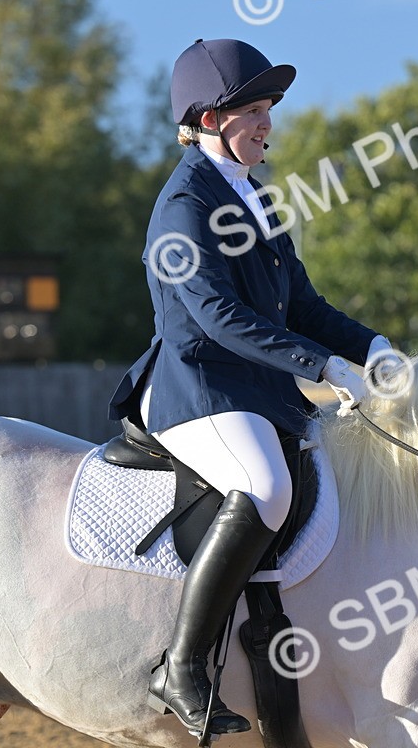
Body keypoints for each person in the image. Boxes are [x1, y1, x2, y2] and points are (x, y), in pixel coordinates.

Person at [108, 38, 390, 736]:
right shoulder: (184, 205)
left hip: (256, 390)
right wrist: (321, 367)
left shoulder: (254, 196)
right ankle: (182, 666)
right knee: (265, 488)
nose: (268, 123)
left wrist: (375, 349)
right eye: (254, 111)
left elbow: (305, 307)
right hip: (197, 386)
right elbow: (216, 316)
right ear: (208, 120)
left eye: (268, 109)